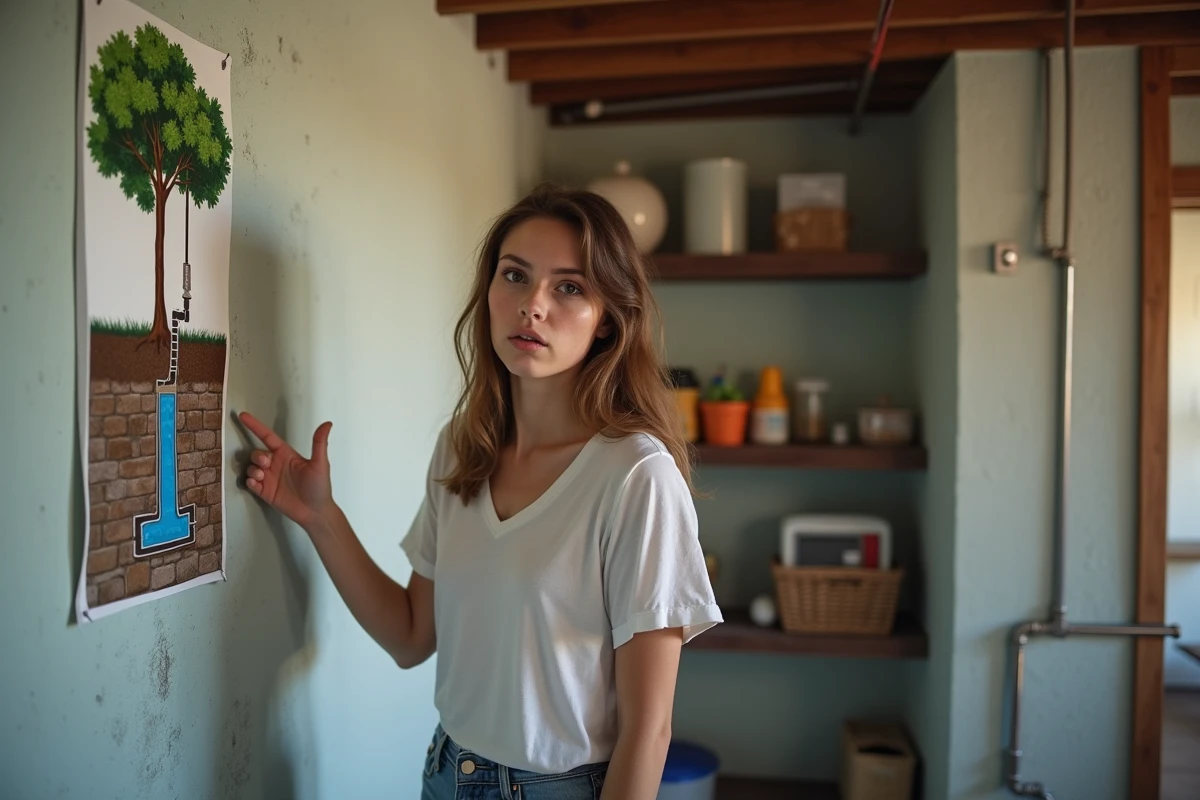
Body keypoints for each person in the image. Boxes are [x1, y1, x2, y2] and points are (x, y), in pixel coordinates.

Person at [238, 183, 723, 800]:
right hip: (448, 773)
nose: (533, 305)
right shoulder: (464, 448)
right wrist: (321, 517)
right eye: (515, 276)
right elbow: (411, 636)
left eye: (569, 287)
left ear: (608, 322)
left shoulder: (635, 476)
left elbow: (648, 732)